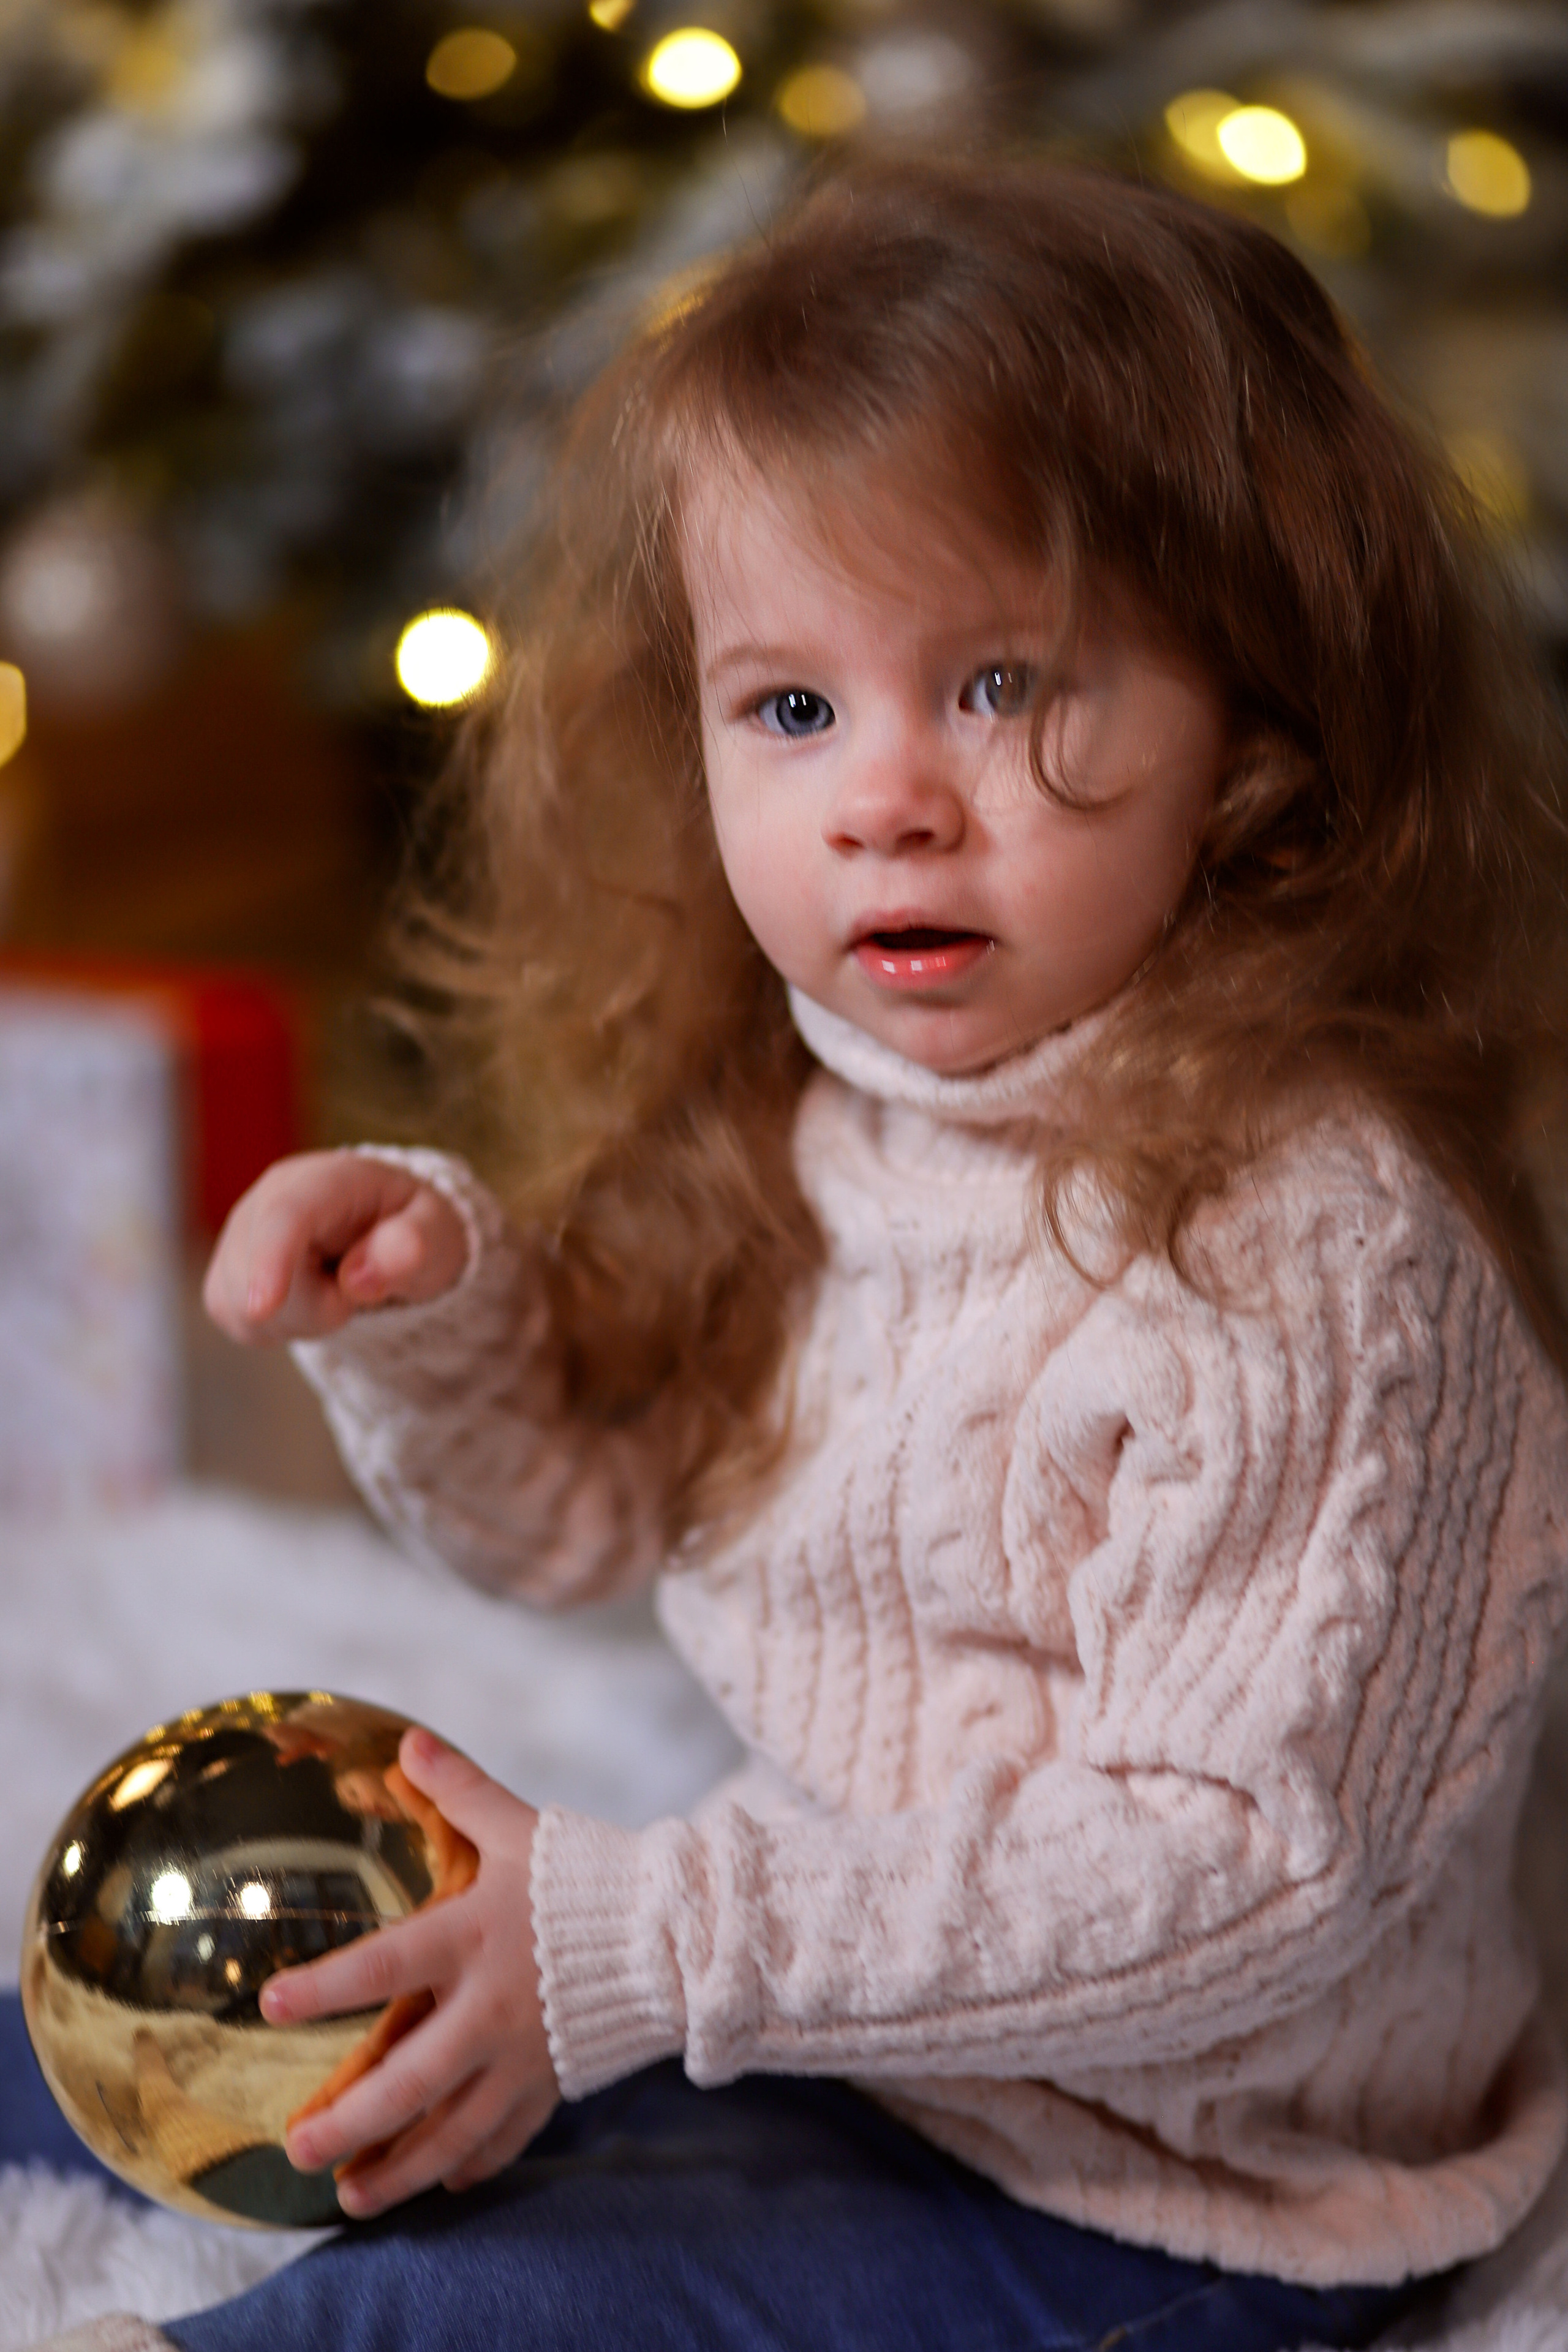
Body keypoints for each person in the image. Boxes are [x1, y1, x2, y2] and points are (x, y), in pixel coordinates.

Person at [55, 156, 1568, 2351]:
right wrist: (445, 1324)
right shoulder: (831, 1094)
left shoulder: (1315, 1248)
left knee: (487, 2307)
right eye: (792, 710)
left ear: (1259, 719)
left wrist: (653, 1940)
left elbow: (1259, 1884)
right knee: (192, 2007)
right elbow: (580, 1525)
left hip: (1179, 2184)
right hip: (852, 2020)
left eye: (1003, 686)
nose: (886, 800)